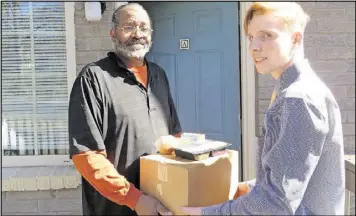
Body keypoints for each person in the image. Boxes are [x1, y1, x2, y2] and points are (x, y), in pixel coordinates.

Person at [180, 2, 345, 215]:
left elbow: (275, 205)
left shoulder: (298, 98)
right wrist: (250, 187)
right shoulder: (292, 89)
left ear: (295, 38)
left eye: (266, 35)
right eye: (251, 37)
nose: (254, 46)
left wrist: (203, 213)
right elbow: (294, 177)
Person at [68, 3, 181, 216]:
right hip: (113, 209)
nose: (138, 34)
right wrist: (135, 200)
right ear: (113, 33)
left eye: (144, 28)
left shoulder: (159, 75)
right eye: (129, 27)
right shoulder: (93, 79)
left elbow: (174, 136)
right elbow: (87, 156)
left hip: (161, 204)